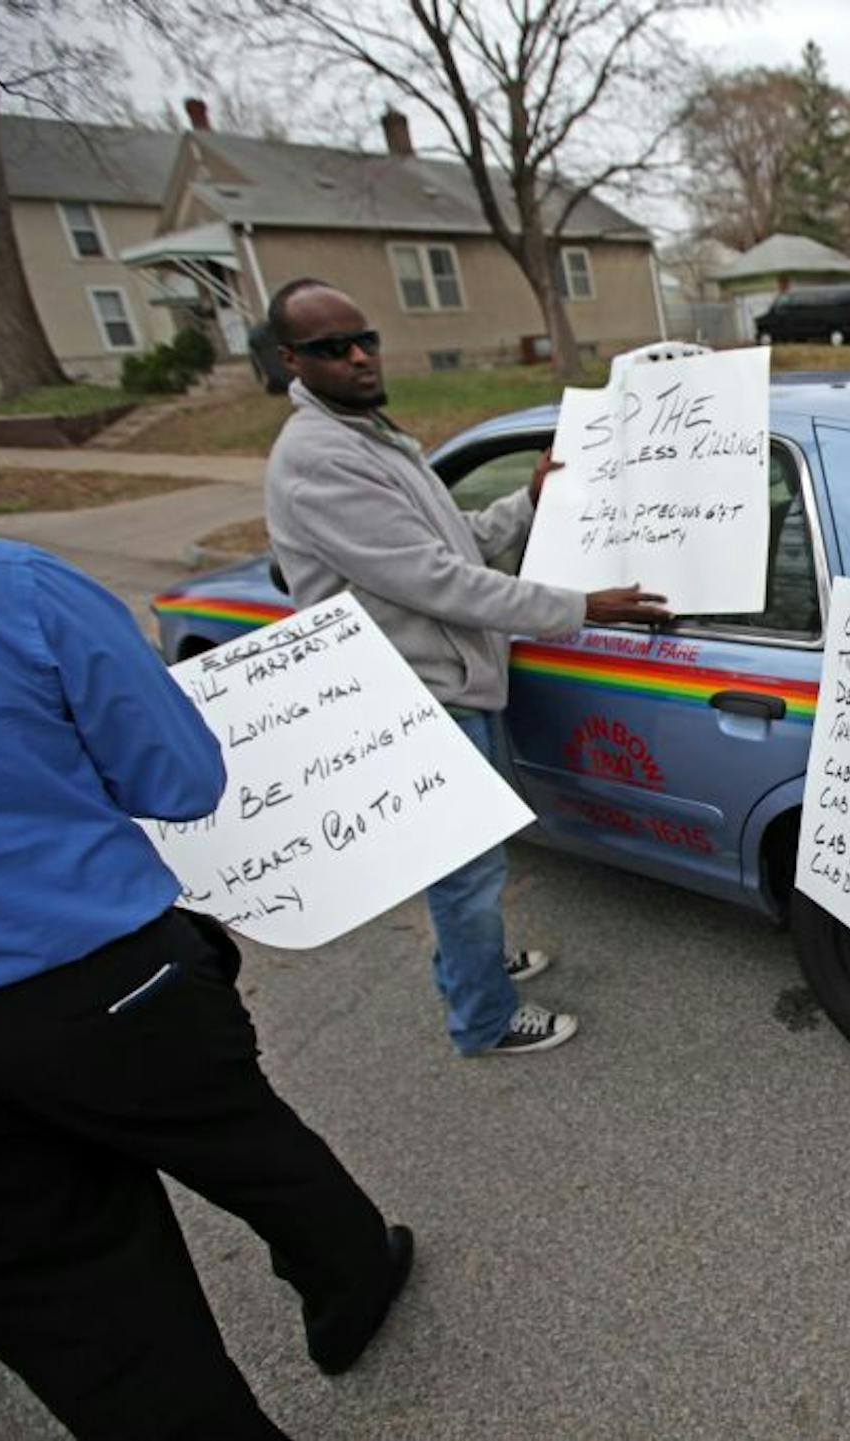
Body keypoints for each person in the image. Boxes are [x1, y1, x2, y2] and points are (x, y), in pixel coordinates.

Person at [0, 521, 412, 1440]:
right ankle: (354, 1286)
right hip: (105, 983)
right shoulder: (9, 586)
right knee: (256, 1151)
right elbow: (178, 779)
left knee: (96, 1336)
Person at [263, 278, 670, 1057]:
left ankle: (474, 963)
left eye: (366, 339)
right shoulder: (319, 459)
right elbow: (436, 581)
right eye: (330, 348)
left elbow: (454, 544)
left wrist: (526, 499)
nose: (358, 356)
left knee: (464, 865)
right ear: (291, 359)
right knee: (467, 871)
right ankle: (482, 1017)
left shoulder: (369, 434)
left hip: (446, 683)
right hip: (414, 698)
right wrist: (583, 607)